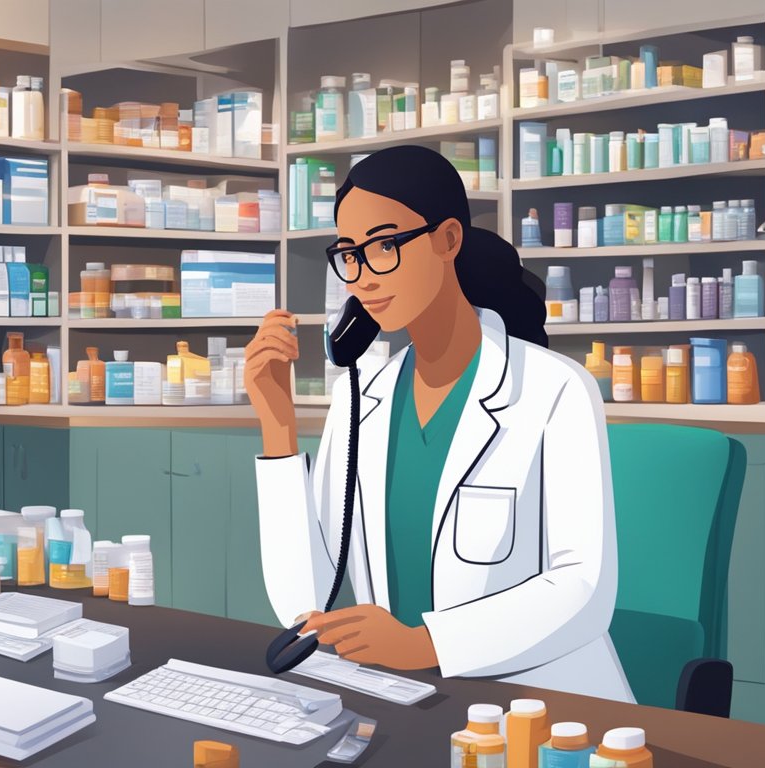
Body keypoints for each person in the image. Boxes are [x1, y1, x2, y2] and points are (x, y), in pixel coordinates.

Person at [244, 145, 634, 702]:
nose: (363, 277)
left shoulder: (554, 389)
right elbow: (310, 608)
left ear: (448, 240)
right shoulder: (362, 398)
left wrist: (423, 644)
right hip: (407, 699)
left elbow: (582, 589)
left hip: (539, 705)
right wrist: (277, 427)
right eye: (349, 253)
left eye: (384, 246)